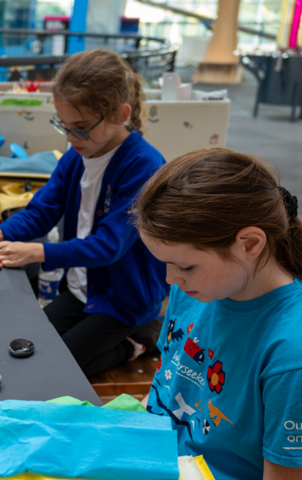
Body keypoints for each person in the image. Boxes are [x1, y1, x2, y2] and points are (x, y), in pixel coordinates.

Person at [0, 49, 168, 377]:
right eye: (64, 125)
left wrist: (37, 252)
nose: (72, 138)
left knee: (60, 369)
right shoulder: (76, 155)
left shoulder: (143, 165)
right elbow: (41, 210)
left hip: (125, 300)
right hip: (81, 289)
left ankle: (138, 342)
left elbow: (109, 245)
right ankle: (126, 339)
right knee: (27, 348)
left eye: (82, 128)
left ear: (120, 113)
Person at [136, 148, 302, 479]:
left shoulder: (290, 353)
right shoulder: (195, 288)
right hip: (154, 453)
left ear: (250, 244)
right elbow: (165, 389)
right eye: (166, 264)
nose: (170, 279)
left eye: (184, 265)